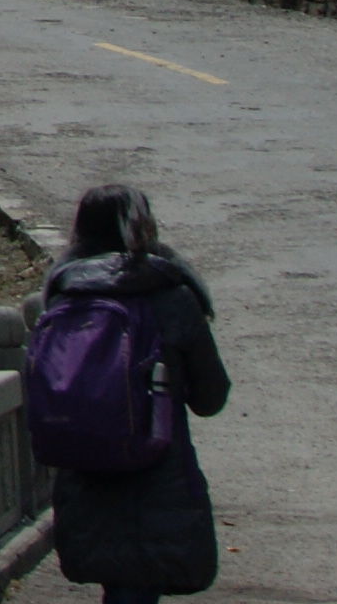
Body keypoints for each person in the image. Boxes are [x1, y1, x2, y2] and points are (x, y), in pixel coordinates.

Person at [39, 182, 228, 601]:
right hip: (158, 476)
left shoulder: (61, 299)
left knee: (119, 585)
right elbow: (211, 398)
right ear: (144, 227)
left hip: (84, 474)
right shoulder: (172, 296)